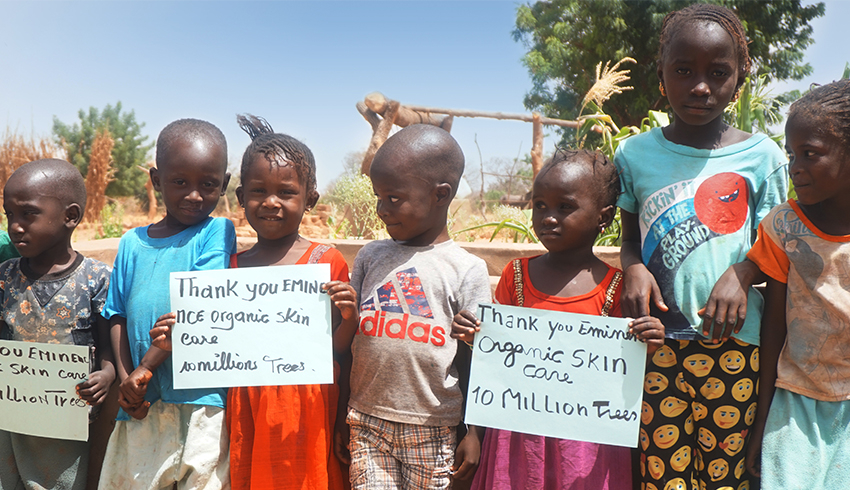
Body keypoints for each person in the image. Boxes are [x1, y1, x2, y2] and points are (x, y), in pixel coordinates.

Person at [614, 4, 788, 489]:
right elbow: (630, 240)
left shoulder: (763, 156)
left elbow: (778, 250)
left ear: (741, 76)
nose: (700, 87)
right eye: (683, 70)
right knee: (661, 477)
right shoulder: (634, 153)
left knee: (723, 479)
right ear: (661, 71)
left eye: (718, 73)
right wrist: (633, 269)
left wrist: (742, 274)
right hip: (655, 346)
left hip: (737, 349)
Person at [451, 149, 665, 490]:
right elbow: (494, 366)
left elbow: (624, 369)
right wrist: (476, 336)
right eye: (540, 205)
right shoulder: (516, 276)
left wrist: (648, 345)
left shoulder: (617, 289)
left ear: (604, 217)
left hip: (588, 447)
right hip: (516, 437)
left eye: (565, 207)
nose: (548, 217)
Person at [341, 124, 491, 489]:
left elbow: (485, 361)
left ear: (441, 195)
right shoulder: (370, 256)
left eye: (394, 198)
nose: (381, 209)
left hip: (433, 426)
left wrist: (475, 433)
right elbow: (348, 345)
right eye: (378, 197)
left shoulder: (466, 269)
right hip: (366, 421)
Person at [220, 114, 357, 490]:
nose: (270, 202)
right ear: (240, 197)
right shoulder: (229, 268)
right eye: (258, 191)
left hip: (308, 406)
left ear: (310, 199)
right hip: (249, 401)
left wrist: (349, 318)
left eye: (286, 192)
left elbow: (337, 351)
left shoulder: (326, 262)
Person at [98, 119, 235, 490]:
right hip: (141, 403)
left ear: (223, 185)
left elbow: (199, 305)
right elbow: (117, 314)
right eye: (180, 182)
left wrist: (145, 368)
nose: (194, 195)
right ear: (157, 180)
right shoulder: (130, 242)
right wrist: (128, 382)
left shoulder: (216, 232)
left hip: (201, 400)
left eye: (208, 184)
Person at [734, 79, 850, 488]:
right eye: (791, 154)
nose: (795, 166)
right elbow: (775, 326)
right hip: (795, 401)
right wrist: (762, 419)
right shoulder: (784, 226)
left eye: (810, 153)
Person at [0, 159, 114, 490]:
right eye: (9, 215)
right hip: (15, 420)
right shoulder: (6, 277)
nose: (15, 226)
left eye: (28, 214)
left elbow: (108, 345)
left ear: (70, 217)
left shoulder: (96, 279)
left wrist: (106, 375)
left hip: (71, 423)